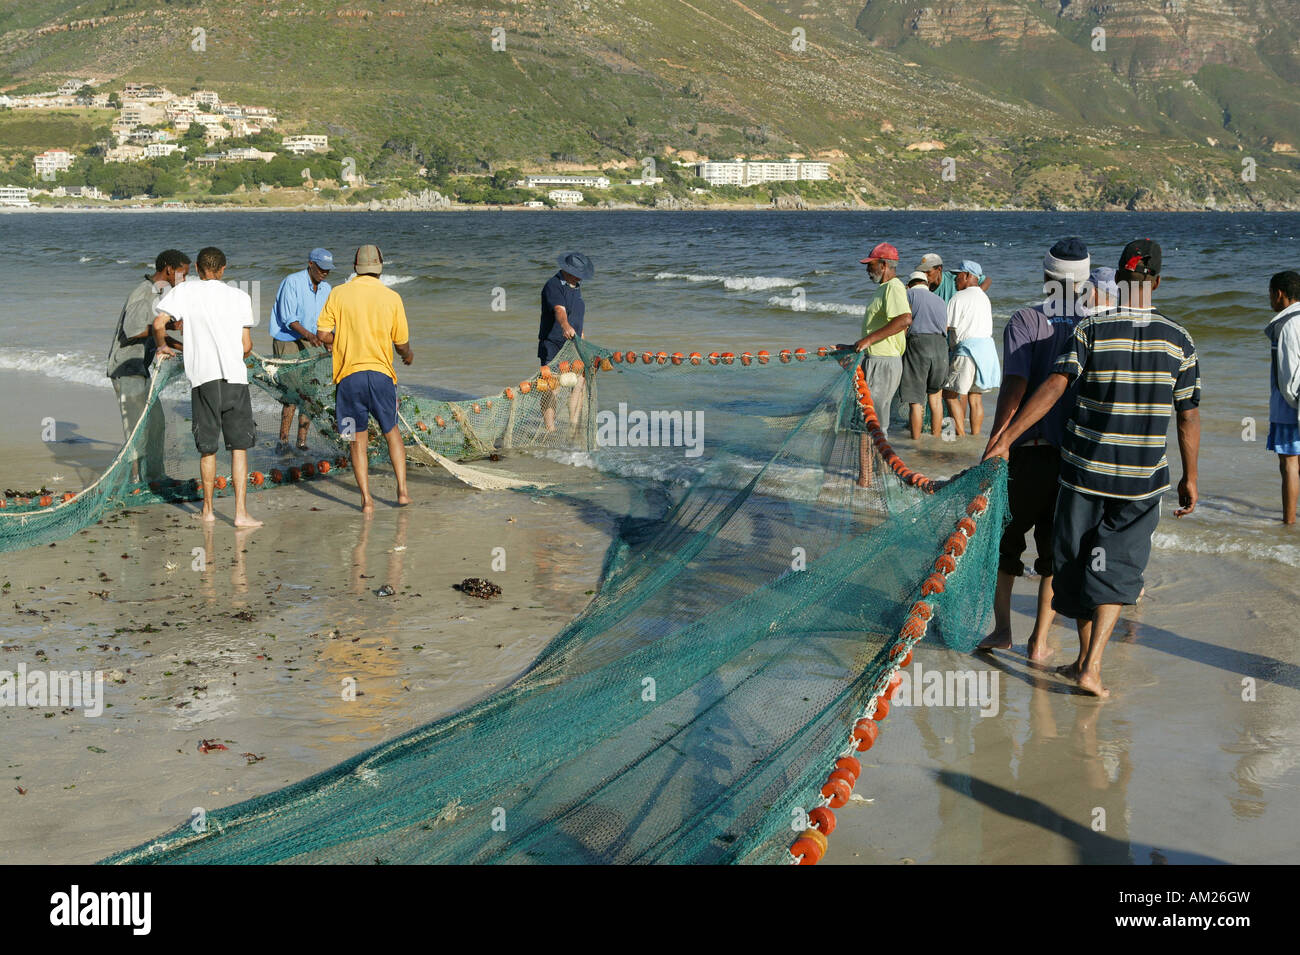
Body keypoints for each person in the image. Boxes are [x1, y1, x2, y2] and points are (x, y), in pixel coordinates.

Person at [984, 239, 1201, 697]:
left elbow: (1045, 386)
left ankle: (1046, 646)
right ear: (1158, 282)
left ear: (1119, 280)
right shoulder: (1179, 339)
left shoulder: (1083, 328)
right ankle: (1079, 660)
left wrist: (1003, 438)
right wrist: (1191, 476)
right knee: (1115, 567)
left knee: (1067, 558)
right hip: (1139, 480)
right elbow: (1188, 414)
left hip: (1077, 469)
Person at [979, 237, 1091, 662]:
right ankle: (1040, 642)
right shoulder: (1094, 325)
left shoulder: (1026, 319)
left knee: (1005, 542)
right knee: (1053, 552)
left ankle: (1003, 629)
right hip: (1074, 459)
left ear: (1046, 277)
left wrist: (997, 441)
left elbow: (1015, 386)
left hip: (1025, 453)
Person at [152, 247, 261, 527]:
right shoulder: (241, 296)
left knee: (207, 449)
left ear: (198, 269)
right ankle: (240, 514)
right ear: (224, 269)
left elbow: (158, 322)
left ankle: (208, 511)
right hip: (235, 378)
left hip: (203, 378)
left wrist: (162, 345)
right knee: (239, 448)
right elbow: (246, 346)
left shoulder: (186, 290)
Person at [317, 244, 413, 514]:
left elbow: (323, 334)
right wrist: (408, 354)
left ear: (355, 266)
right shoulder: (392, 297)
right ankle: (403, 492)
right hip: (382, 377)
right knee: (391, 431)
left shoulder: (338, 293)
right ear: (380, 266)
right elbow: (401, 343)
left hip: (348, 379)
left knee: (354, 438)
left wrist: (343, 342)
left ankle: (366, 500)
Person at [107, 249, 190, 483]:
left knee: (156, 425)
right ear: (169, 269)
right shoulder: (143, 293)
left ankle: (155, 478)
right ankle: (135, 483)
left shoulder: (159, 294)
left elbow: (156, 333)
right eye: (183, 274)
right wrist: (171, 325)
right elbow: (133, 331)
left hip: (140, 370)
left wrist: (188, 347)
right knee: (137, 431)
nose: (184, 279)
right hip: (126, 369)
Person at [837, 242, 911, 487]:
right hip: (876, 360)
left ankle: (867, 480)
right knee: (873, 422)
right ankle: (877, 477)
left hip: (883, 362)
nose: (867, 270)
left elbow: (904, 319)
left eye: (871, 265)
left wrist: (867, 340)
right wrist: (854, 346)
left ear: (885, 265)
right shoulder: (884, 288)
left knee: (870, 423)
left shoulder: (894, 287)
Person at [269, 248, 333, 453]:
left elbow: (328, 319)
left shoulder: (327, 289)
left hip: (312, 340)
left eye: (328, 270)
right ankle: (283, 441)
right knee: (291, 393)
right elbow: (289, 319)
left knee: (310, 392)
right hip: (288, 338)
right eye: (321, 269)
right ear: (311, 264)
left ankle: (302, 442)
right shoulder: (292, 282)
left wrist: (329, 340)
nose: (324, 273)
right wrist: (310, 336)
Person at [538, 252, 594, 435]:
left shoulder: (576, 286)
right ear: (567, 270)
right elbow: (559, 311)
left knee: (578, 385)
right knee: (551, 388)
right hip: (553, 344)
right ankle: (550, 430)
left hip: (574, 345)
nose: (581, 277)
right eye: (578, 273)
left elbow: (578, 319)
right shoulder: (553, 285)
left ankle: (574, 427)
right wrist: (565, 325)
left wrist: (583, 344)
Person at [943, 260, 1000, 436]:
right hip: (986, 352)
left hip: (966, 351)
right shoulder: (984, 298)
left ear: (968, 276)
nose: (954, 279)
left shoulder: (957, 298)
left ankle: (960, 435)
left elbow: (946, 327)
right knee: (976, 398)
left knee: (949, 394)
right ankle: (975, 436)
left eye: (957, 275)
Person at [1265, 270, 1300, 524]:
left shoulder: (1286, 324)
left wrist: (1293, 404)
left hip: (1290, 404)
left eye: (1270, 294)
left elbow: (1288, 376)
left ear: (1279, 294)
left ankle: (1288, 522)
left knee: (1289, 464)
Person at [900, 270, 949, 439]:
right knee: (936, 398)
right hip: (941, 346)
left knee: (916, 400)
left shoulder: (909, 295)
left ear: (911, 284)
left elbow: (904, 321)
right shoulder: (941, 301)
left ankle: (916, 442)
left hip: (918, 344)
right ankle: (936, 439)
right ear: (926, 284)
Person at [918, 253, 992, 302]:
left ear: (939, 269)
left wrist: (975, 295)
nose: (925, 275)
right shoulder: (920, 286)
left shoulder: (956, 278)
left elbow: (987, 280)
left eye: (928, 272)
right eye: (922, 272)